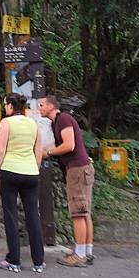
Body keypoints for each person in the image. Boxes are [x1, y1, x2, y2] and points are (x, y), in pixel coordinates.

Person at [0, 93, 45, 273]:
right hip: (31, 173)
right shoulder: (34, 123)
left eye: (5, 104)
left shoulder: (6, 123)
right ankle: (38, 262)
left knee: (11, 215)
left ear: (10, 106)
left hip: (10, 171)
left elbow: (0, 150)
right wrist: (34, 169)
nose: (5, 107)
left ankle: (14, 260)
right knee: (33, 215)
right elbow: (38, 149)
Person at [39, 95, 95, 268]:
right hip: (80, 168)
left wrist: (47, 153)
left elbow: (69, 145)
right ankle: (86, 251)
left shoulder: (63, 118)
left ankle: (79, 256)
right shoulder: (57, 122)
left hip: (77, 169)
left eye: (42, 105)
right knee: (84, 212)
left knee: (78, 212)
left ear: (51, 106)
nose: (39, 108)